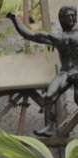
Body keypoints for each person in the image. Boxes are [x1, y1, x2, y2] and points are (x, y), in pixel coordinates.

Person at [8, 7, 78, 136]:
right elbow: (30, 34)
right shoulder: (57, 37)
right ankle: (49, 127)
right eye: (67, 16)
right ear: (61, 19)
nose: (70, 18)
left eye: (73, 15)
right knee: (49, 95)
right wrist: (14, 19)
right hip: (66, 73)